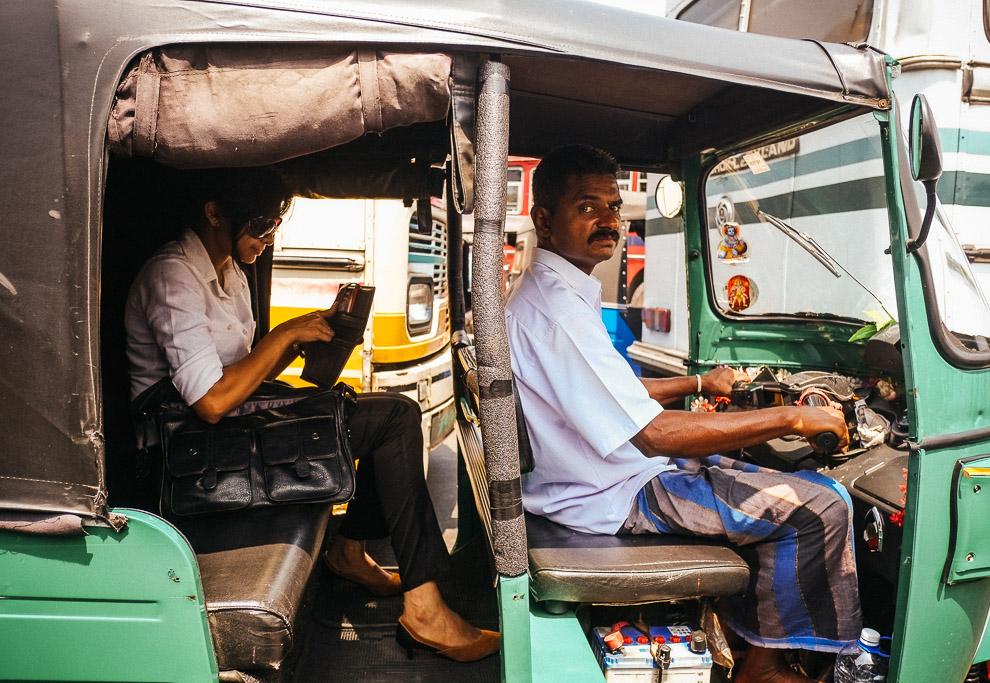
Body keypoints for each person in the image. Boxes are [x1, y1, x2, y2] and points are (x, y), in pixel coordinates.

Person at [504, 145, 862, 683]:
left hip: (605, 477)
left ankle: (741, 643)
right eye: (587, 207)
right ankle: (761, 668)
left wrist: (699, 382)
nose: (608, 219)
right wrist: (791, 418)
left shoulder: (552, 292)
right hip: (614, 495)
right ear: (545, 222)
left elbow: (613, 391)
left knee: (759, 476)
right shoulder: (556, 309)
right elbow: (653, 435)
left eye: (613, 205)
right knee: (821, 504)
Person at [124, 167, 498, 663]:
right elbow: (211, 402)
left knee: (386, 413)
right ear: (215, 213)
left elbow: (241, 370)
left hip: (222, 429)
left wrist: (308, 338)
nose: (268, 236)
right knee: (393, 419)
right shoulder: (172, 275)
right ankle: (421, 604)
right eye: (260, 225)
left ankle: (349, 552)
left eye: (276, 225)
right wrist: (282, 336)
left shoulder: (229, 272)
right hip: (189, 452)